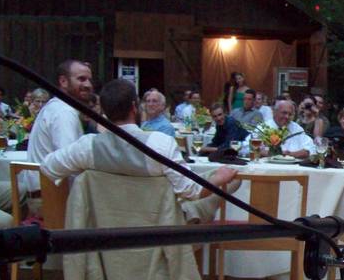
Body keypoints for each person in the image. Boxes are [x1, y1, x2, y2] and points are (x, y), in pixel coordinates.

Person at [41, 80, 239, 224]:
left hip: (107, 229)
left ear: (104, 111)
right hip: (160, 228)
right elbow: (191, 191)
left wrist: (85, 173)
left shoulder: (86, 147)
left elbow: (48, 167)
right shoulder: (160, 144)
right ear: (135, 107)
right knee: (227, 183)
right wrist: (220, 178)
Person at [26, 60, 93, 193]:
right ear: (63, 81)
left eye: (89, 80)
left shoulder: (57, 106)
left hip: (44, 191)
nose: (88, 85)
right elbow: (71, 163)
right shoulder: (64, 112)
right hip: (50, 197)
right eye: (81, 79)